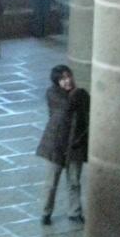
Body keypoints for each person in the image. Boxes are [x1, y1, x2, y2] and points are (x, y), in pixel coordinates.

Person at [36, 64, 89, 223]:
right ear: (57, 82)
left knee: (74, 181)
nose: (68, 81)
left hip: (75, 143)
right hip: (56, 143)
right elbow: (66, 107)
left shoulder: (81, 94)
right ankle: (46, 212)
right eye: (63, 79)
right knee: (51, 182)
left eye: (69, 76)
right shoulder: (53, 93)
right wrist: (77, 94)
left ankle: (75, 212)